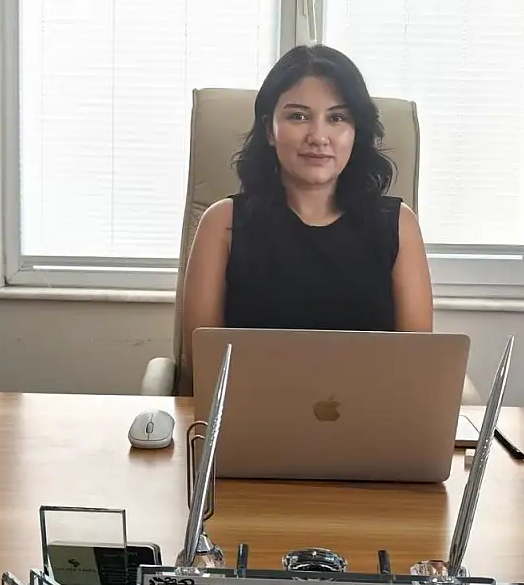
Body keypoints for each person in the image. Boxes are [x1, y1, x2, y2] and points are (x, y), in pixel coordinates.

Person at [180, 44, 434, 374]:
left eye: (337, 118)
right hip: (252, 406)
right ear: (269, 129)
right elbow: (202, 368)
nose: (318, 136)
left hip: (372, 406)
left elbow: (416, 367)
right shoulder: (222, 224)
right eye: (298, 116)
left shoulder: (399, 225)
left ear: (356, 132)